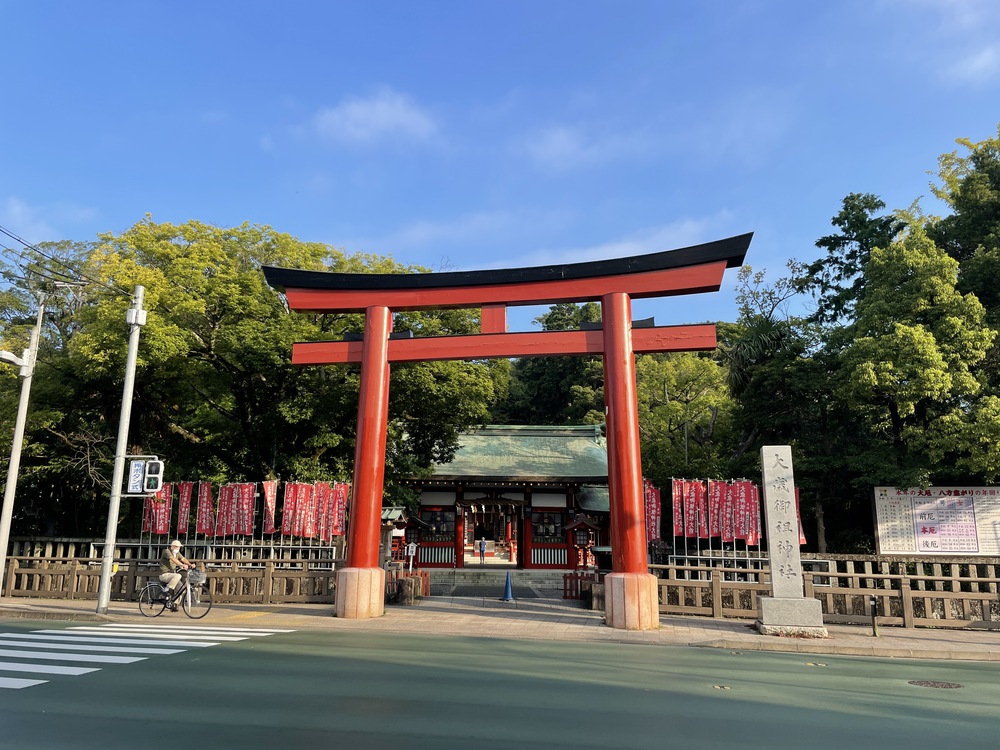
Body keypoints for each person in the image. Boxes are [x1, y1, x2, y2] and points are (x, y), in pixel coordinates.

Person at [159, 539, 193, 611]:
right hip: (164, 575)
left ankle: (173, 604)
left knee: (182, 589)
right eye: (176, 547)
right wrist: (182, 565)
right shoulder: (167, 551)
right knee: (178, 575)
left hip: (172, 576)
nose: (178, 548)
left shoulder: (177, 553)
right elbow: (173, 559)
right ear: (172, 546)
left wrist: (190, 564)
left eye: (179, 547)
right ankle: (167, 589)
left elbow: (183, 559)